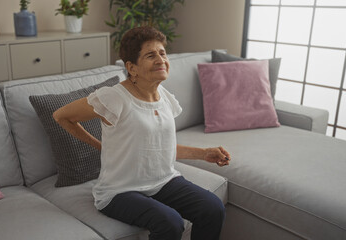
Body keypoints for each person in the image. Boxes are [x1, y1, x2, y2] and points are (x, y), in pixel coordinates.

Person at [53, 26, 231, 240]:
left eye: (162, 53)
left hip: (163, 182)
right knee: (170, 223)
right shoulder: (114, 97)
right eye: (150, 55)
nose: (160, 59)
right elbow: (62, 116)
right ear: (132, 67)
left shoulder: (164, 97)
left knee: (212, 208)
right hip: (119, 192)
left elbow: (161, 149)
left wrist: (204, 153)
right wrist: (99, 145)